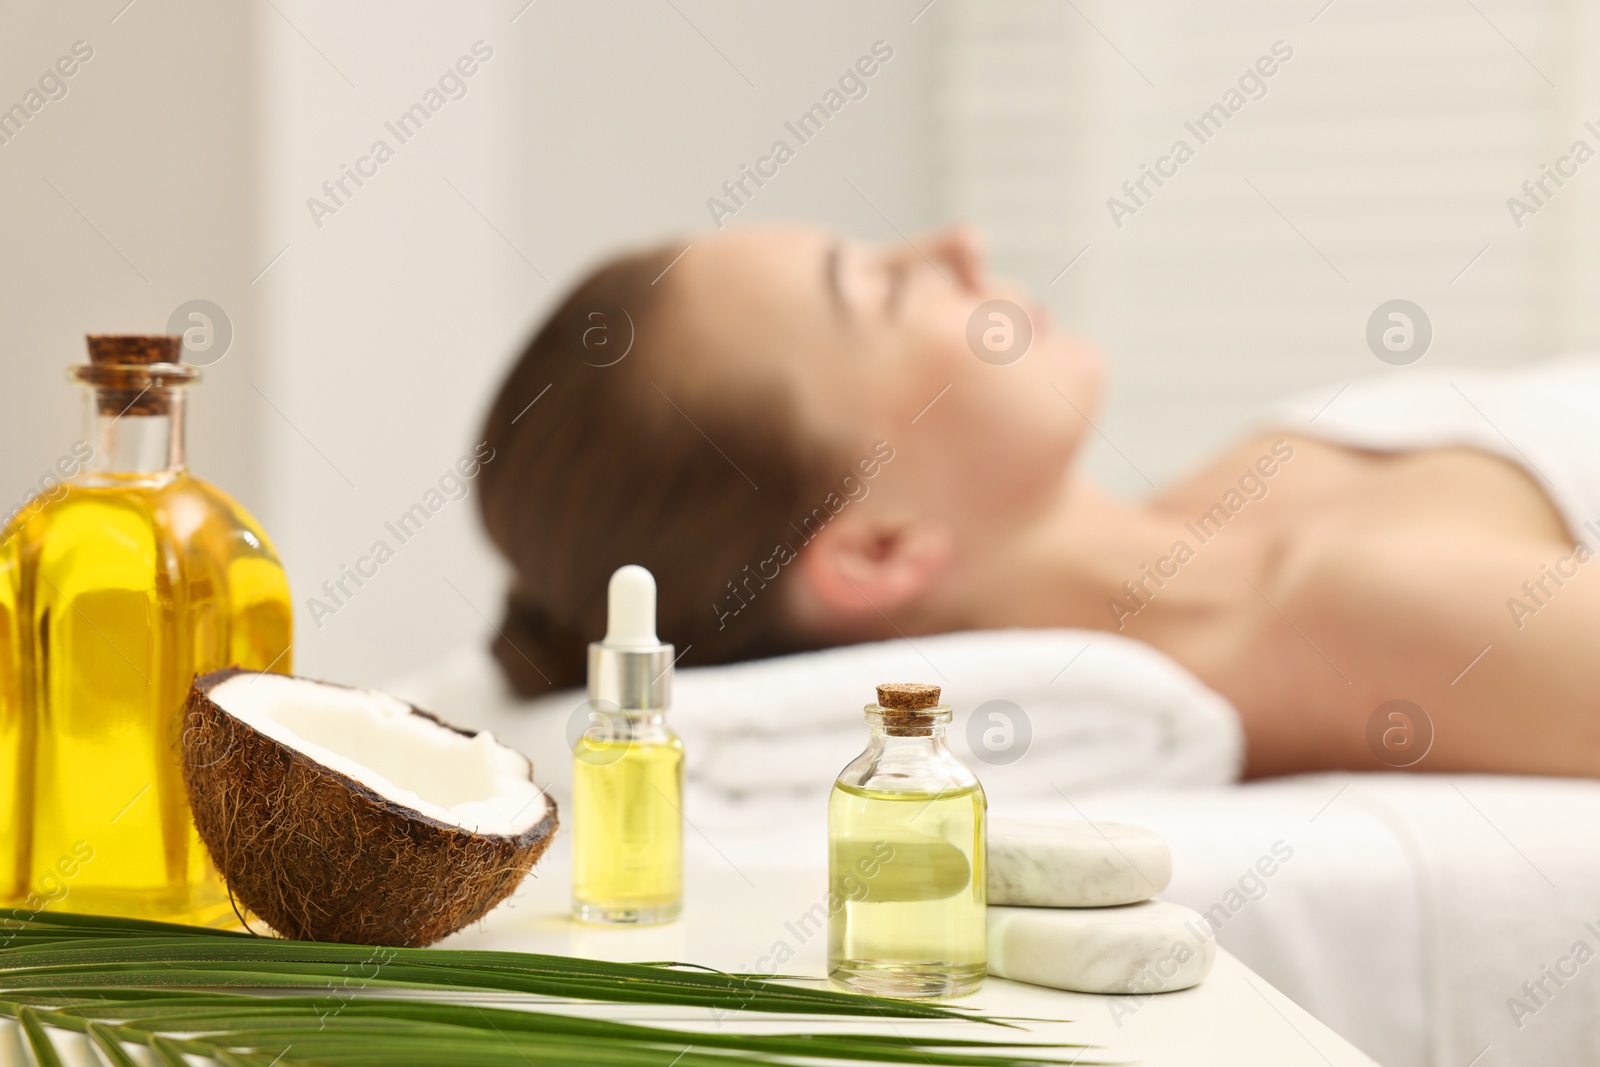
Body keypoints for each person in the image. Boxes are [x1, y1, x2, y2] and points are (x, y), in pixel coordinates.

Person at [478, 225, 1599, 779]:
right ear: (875, 546)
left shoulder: (1221, 503)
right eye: (886, 285)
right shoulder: (1361, 616)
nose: (957, 244)